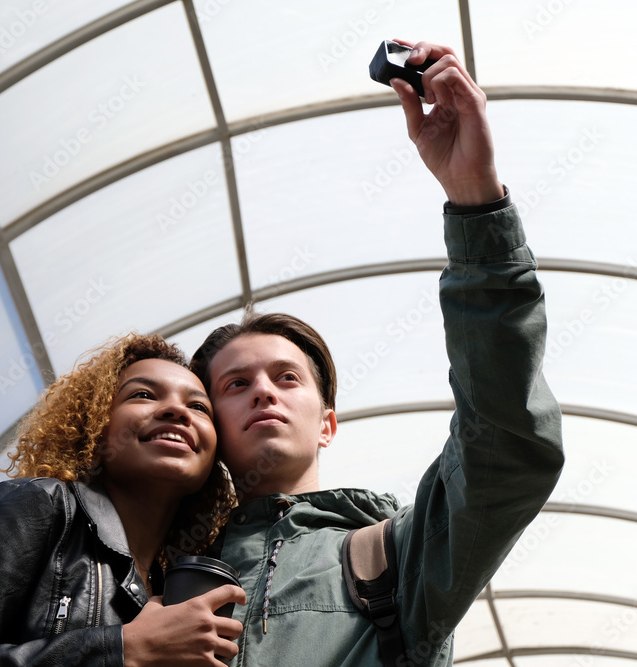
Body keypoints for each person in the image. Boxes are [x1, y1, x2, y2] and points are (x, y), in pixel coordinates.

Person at [186, 40, 566, 666]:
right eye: (234, 385)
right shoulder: (146, 574)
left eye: (288, 378)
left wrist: (475, 199)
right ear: (208, 426)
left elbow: (505, 448)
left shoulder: (398, 557)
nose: (264, 391)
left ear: (327, 423)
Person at [0, 333, 246, 666]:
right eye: (143, 395)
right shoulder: (39, 505)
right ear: (96, 428)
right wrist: (122, 649)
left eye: (199, 408)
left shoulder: (179, 586)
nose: (177, 411)